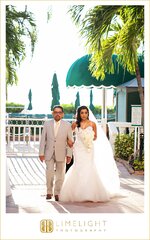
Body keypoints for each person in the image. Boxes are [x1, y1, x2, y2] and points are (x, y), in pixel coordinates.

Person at [59, 105, 120, 202]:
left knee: (89, 166)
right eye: (82, 113)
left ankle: (90, 193)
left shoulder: (92, 124)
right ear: (79, 114)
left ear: (88, 113)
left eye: (85, 112)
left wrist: (88, 137)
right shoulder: (75, 124)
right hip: (78, 148)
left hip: (89, 148)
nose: (84, 115)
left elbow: (95, 137)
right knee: (78, 166)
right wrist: (69, 141)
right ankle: (77, 193)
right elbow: (68, 134)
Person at [39, 105, 73, 201]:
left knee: (60, 174)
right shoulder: (47, 124)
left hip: (62, 153)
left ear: (62, 114)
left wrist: (69, 154)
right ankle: (49, 192)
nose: (57, 114)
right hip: (48, 153)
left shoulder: (67, 125)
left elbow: (70, 141)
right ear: (53, 114)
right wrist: (41, 153)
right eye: (55, 112)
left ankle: (57, 192)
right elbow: (43, 139)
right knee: (49, 172)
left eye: (59, 112)